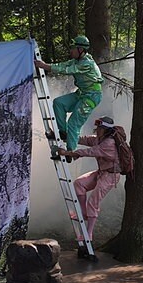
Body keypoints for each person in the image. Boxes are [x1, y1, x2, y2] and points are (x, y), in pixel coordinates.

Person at [34, 35, 104, 157]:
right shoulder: (76, 61)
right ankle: (63, 132)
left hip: (91, 96)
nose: (70, 51)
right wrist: (46, 65)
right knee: (59, 103)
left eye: (73, 48)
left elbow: (67, 70)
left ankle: (71, 151)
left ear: (80, 50)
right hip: (81, 93)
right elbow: (63, 65)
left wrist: (45, 66)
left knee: (74, 122)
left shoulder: (86, 63)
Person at [58, 116, 120, 249]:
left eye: (100, 128)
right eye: (97, 128)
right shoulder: (99, 139)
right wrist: (67, 136)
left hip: (111, 176)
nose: (97, 130)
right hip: (101, 172)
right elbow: (84, 140)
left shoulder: (109, 143)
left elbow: (90, 152)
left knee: (93, 201)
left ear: (106, 130)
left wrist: (67, 153)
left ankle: (89, 233)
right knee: (79, 184)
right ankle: (84, 213)